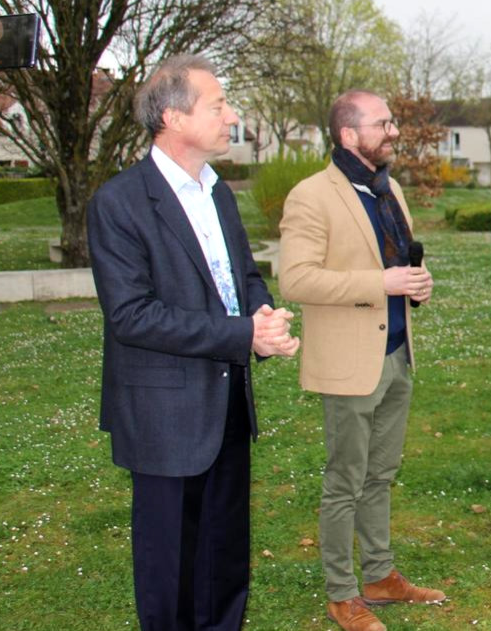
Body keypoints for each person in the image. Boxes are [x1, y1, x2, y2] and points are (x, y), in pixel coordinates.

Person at [87, 54, 299, 630]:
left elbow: (242, 275)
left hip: (226, 402)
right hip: (164, 415)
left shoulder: (219, 193)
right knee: (170, 567)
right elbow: (132, 315)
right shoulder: (119, 203)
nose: (232, 115)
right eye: (219, 105)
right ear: (174, 117)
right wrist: (241, 333)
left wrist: (261, 316)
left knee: (224, 558)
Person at [279, 90, 444, 631]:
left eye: (392, 122)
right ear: (349, 135)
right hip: (349, 364)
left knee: (381, 474)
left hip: (396, 356)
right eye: (383, 123)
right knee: (345, 480)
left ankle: (379, 576)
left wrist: (415, 285)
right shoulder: (310, 196)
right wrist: (382, 283)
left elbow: (398, 259)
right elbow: (296, 279)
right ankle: (341, 593)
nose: (393, 131)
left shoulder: (387, 186)